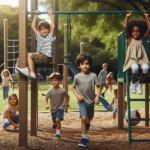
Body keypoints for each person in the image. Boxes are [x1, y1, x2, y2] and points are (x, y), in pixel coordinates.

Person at [72, 53, 101, 148]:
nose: (85, 66)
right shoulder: (77, 77)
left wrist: (97, 97)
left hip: (91, 101)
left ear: (90, 65)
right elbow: (73, 88)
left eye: (87, 63)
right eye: (82, 64)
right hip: (82, 101)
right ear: (79, 66)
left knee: (89, 117)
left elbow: (98, 87)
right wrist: (77, 96)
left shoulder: (93, 75)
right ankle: (84, 138)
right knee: (83, 118)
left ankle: (88, 123)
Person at [16, 10, 55, 79]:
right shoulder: (39, 36)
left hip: (46, 57)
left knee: (28, 55)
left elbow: (53, 27)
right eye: (42, 29)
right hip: (40, 56)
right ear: (39, 31)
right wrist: (36, 15)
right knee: (23, 55)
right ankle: (20, 70)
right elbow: (33, 26)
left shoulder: (50, 36)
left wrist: (51, 15)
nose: (44, 31)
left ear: (48, 30)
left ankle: (31, 72)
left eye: (46, 29)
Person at [123, 10, 150, 95]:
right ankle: (133, 83)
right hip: (132, 59)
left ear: (140, 32)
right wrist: (127, 17)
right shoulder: (130, 39)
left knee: (146, 68)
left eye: (137, 31)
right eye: (133, 31)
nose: (135, 33)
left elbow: (149, 29)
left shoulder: (141, 40)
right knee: (135, 68)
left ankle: (139, 83)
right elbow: (125, 28)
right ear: (131, 32)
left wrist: (146, 17)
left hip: (141, 59)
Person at [45, 72, 70, 139]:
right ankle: (55, 123)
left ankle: (58, 134)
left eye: (55, 80)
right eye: (52, 80)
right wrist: (46, 104)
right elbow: (46, 98)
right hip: (53, 109)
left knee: (58, 119)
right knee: (55, 121)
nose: (53, 82)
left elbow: (67, 97)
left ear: (59, 81)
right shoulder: (50, 91)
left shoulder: (62, 90)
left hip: (60, 107)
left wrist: (66, 105)